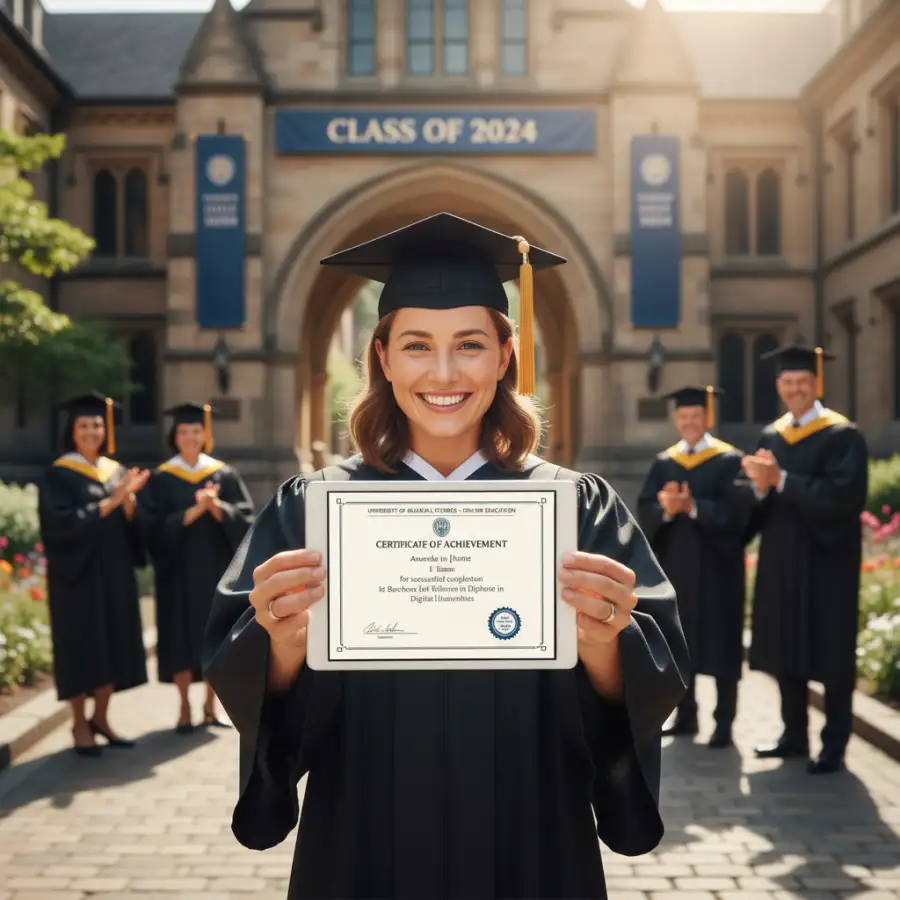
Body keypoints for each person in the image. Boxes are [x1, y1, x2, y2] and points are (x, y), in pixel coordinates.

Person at [203, 213, 688, 899]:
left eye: (468, 344)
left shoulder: (575, 507)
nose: (443, 372)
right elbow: (250, 686)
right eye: (416, 346)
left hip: (531, 839)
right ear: (383, 357)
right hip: (364, 840)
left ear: (503, 354)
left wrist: (606, 645)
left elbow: (649, 682)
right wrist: (280, 644)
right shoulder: (315, 509)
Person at [742, 344, 868, 774]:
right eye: (788, 383)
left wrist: (783, 480)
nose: (795, 390)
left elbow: (843, 498)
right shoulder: (772, 436)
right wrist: (758, 489)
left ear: (817, 385)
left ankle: (834, 743)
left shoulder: (843, 436)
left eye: (802, 383)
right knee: (786, 648)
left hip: (826, 562)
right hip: (781, 559)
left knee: (831, 652)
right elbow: (759, 506)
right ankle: (793, 735)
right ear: (779, 387)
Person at [637, 385, 751, 749]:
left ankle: (724, 724)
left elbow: (741, 515)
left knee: (721, 646)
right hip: (677, 571)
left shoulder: (730, 460)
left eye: (696, 417)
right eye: (684, 417)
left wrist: (694, 508)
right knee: (680, 644)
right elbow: (644, 511)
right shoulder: (664, 462)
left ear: (707, 419)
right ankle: (685, 716)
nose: (689, 423)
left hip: (719, 571)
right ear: (676, 420)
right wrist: (666, 511)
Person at [38, 391, 150, 756]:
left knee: (113, 644)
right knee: (81, 645)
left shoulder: (115, 471)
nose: (92, 431)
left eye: (98, 424)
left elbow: (133, 527)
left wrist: (129, 505)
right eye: (85, 425)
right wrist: (110, 502)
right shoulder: (58, 474)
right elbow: (59, 525)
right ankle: (78, 723)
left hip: (113, 574)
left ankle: (101, 717)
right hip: (76, 578)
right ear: (73, 430)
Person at [139, 403, 255, 733]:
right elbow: (151, 527)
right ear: (174, 438)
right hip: (176, 573)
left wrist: (216, 507)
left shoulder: (223, 474)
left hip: (215, 572)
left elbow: (246, 520)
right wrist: (193, 511)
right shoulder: (162, 478)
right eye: (184, 432)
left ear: (206, 436)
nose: (190, 438)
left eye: (196, 432)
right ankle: (184, 706)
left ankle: (209, 704)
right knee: (178, 637)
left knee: (213, 635)